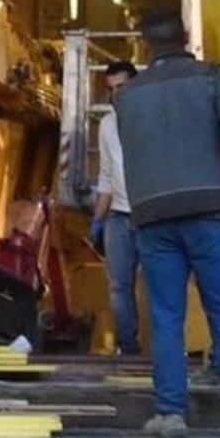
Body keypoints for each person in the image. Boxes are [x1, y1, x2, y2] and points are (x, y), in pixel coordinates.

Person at [113, 8, 220, 438]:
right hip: (210, 210)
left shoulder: (127, 97)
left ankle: (170, 413)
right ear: (186, 38)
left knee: (166, 317)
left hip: (153, 217)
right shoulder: (214, 78)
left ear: (144, 46)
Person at [91, 60, 141, 356]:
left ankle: (165, 349)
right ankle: (128, 346)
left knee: (159, 286)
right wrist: (98, 219)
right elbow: (107, 174)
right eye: (112, 89)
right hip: (119, 217)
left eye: (122, 86)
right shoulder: (108, 124)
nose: (117, 94)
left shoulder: (153, 116)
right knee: (119, 287)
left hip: (150, 215)